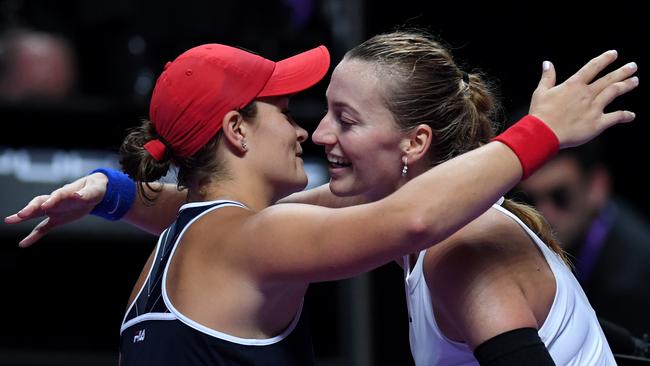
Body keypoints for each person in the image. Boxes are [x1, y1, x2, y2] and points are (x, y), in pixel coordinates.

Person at [6, 30, 639, 365]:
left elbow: (412, 218)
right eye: (287, 109)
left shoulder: (196, 241)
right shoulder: (246, 240)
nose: (312, 132)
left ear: (414, 143)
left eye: (345, 118)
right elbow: (413, 216)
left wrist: (115, 193)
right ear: (235, 132)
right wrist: (543, 132)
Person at [517, 140, 650, 340]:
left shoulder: (630, 283)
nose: (543, 216)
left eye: (560, 196)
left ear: (597, 186)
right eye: (529, 202)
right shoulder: (607, 220)